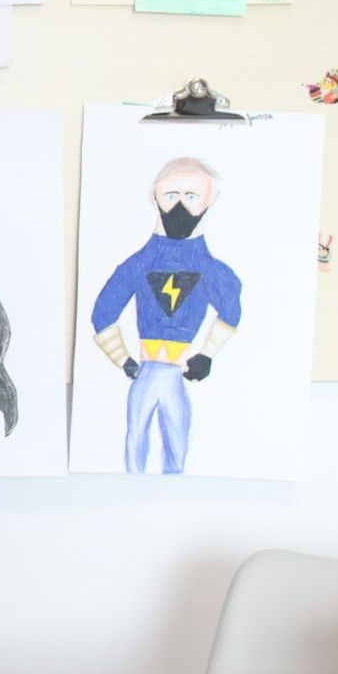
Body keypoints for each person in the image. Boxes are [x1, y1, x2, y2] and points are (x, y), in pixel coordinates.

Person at [89, 158, 241, 474]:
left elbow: (231, 309)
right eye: (171, 195)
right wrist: (125, 361)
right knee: (137, 447)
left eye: (191, 196)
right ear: (155, 197)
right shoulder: (139, 264)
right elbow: (103, 313)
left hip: (173, 374)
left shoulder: (211, 271)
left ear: (209, 199)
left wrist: (207, 354)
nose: (180, 206)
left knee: (175, 449)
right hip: (147, 371)